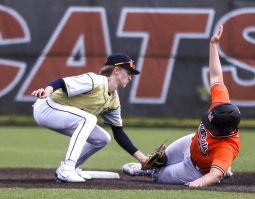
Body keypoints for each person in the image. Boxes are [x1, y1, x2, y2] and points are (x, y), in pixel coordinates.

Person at [122, 25, 241, 187]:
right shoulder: (221, 105)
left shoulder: (227, 147)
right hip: (190, 143)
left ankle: (150, 172)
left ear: (223, 130)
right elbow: (216, 77)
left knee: (159, 176)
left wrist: (198, 183)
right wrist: (213, 45)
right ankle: (222, 168)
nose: (207, 121)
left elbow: (213, 176)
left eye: (211, 123)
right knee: (158, 159)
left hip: (196, 169)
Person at [32, 53, 149, 183]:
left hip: (64, 116)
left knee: (103, 138)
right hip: (47, 107)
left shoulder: (114, 101)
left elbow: (118, 133)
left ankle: (70, 168)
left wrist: (142, 159)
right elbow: (60, 82)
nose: (130, 77)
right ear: (116, 70)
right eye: (128, 72)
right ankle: (67, 169)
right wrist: (47, 91)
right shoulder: (95, 81)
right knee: (88, 119)